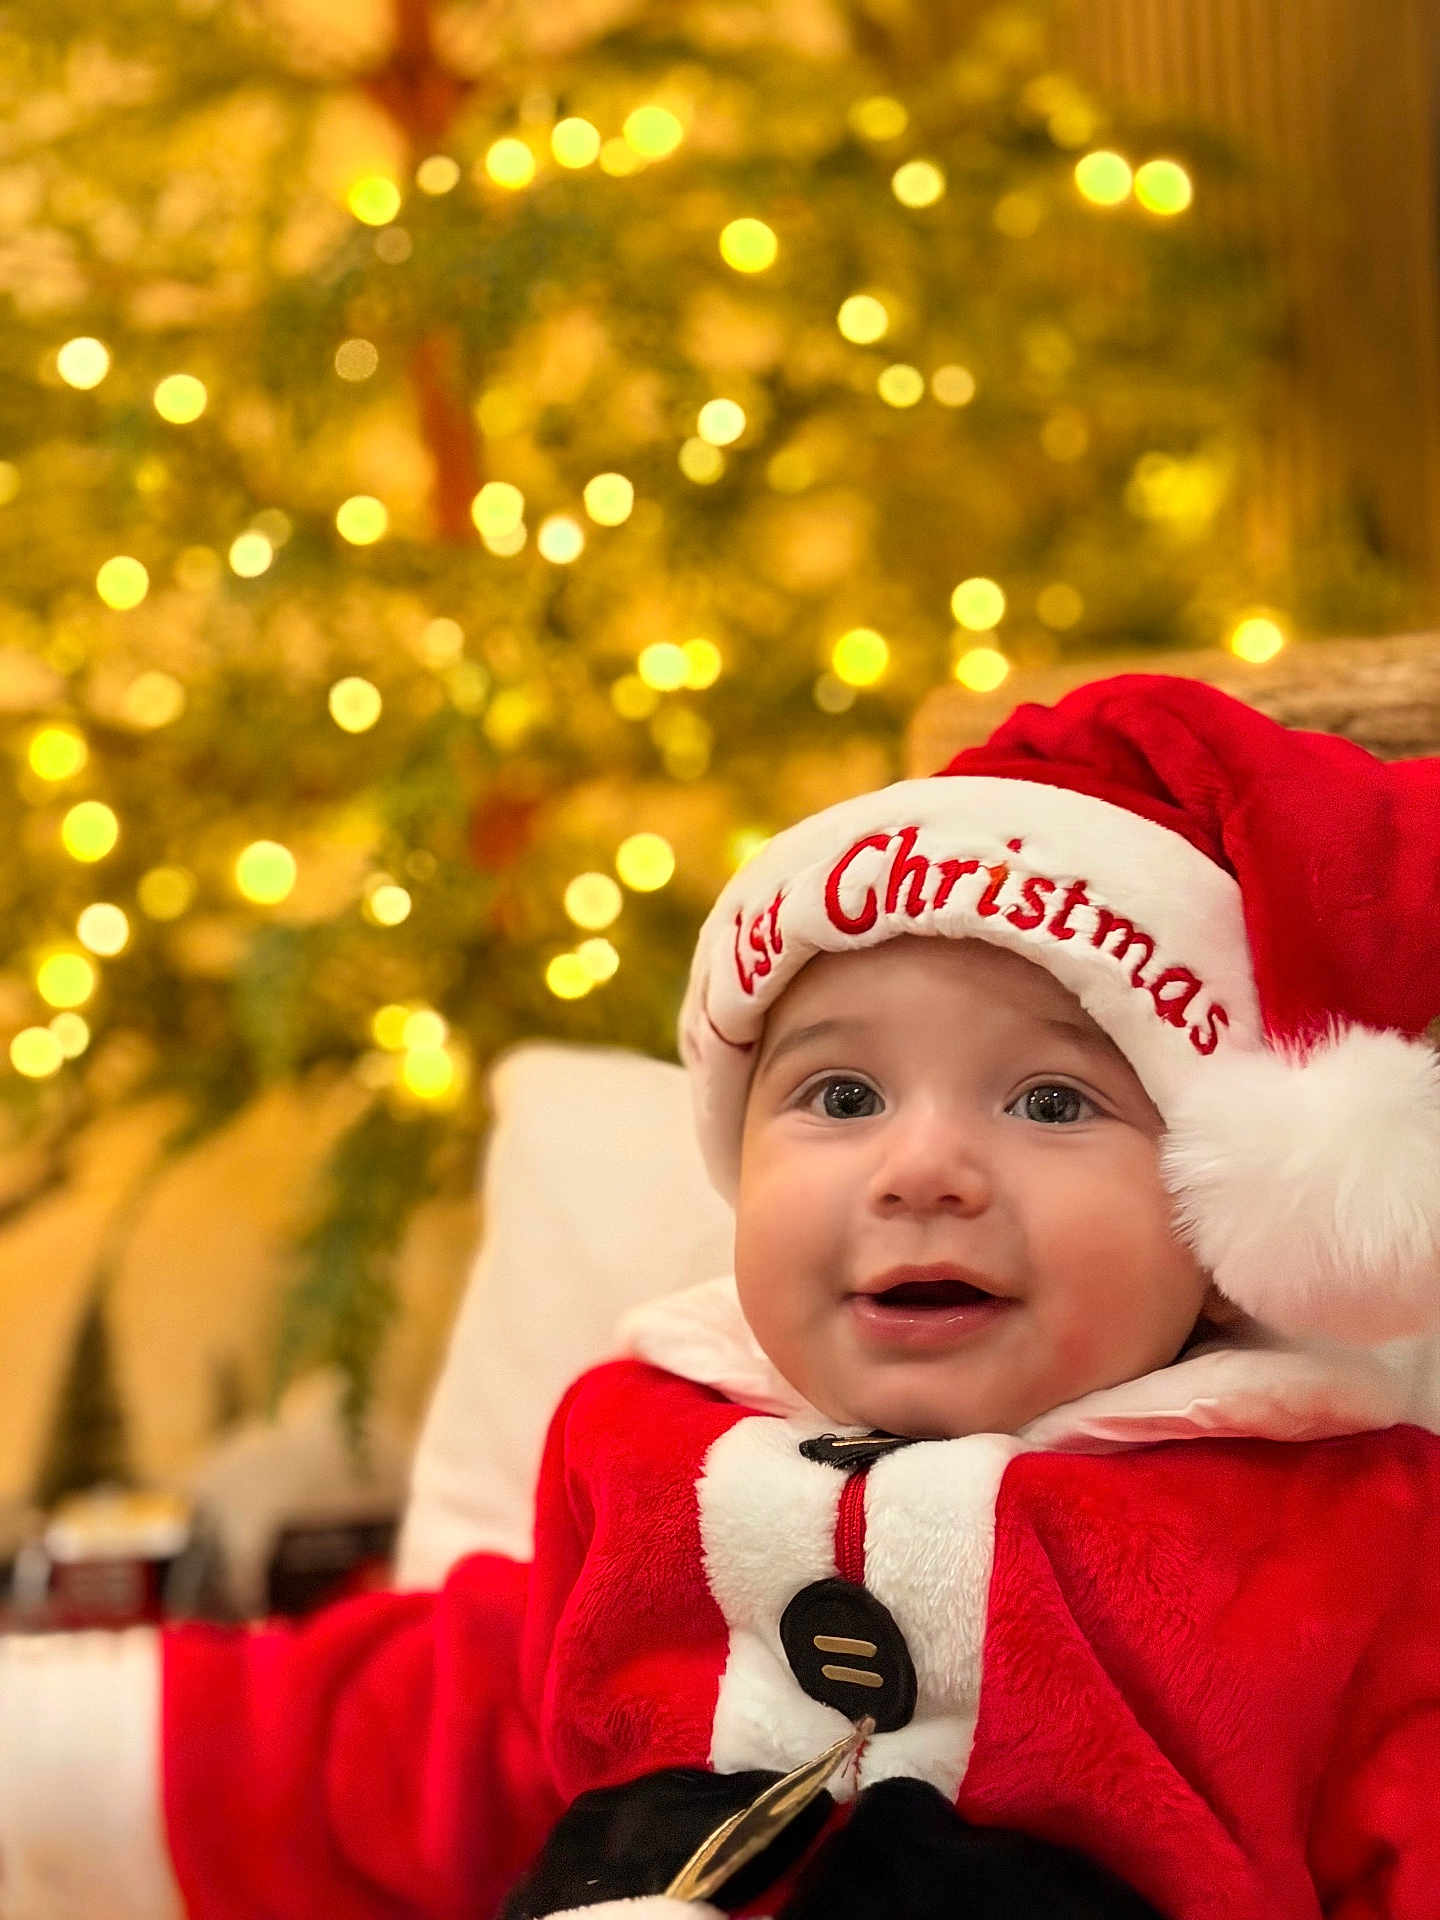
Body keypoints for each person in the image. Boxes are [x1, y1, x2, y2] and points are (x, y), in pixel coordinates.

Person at [5, 672, 1440, 1920]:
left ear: (1224, 1201)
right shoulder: (647, 1459)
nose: (923, 1169)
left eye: (1054, 1101)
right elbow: (425, 1744)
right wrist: (77, 1750)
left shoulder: (1339, 1547)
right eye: (842, 1092)